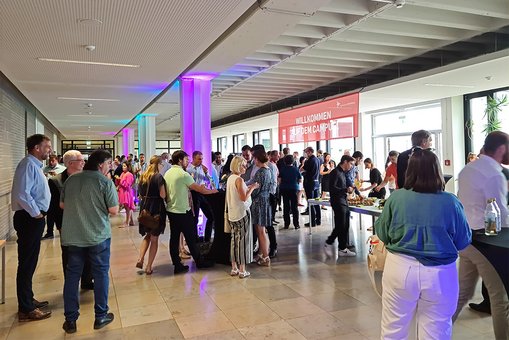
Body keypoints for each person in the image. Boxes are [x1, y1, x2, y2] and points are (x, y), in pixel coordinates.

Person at [375, 149, 471, 339]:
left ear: (409, 171)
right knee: (437, 329)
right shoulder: (451, 202)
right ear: (437, 171)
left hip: (399, 268)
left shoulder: (396, 198)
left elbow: (383, 233)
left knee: (393, 328)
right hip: (441, 274)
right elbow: (463, 240)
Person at [453, 131, 509, 340]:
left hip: (466, 240)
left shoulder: (468, 169)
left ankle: (435, 333)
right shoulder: (494, 174)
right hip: (486, 243)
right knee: (500, 298)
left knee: (462, 293)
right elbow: (499, 213)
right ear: (502, 149)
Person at [60, 149, 119, 334]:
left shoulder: (71, 179)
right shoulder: (104, 182)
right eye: (109, 163)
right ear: (101, 164)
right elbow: (114, 210)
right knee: (100, 274)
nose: (110, 167)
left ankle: (70, 320)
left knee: (72, 276)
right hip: (97, 236)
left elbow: (62, 204)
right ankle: (100, 315)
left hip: (73, 236)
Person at [11, 134, 53, 321]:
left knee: (30, 262)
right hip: (29, 219)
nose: (49, 150)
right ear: (36, 147)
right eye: (47, 146)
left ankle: (28, 299)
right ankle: (26, 308)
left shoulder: (35, 165)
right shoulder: (28, 164)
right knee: (27, 263)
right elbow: (22, 193)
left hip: (33, 218)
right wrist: (36, 213)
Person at [164, 150, 217, 274]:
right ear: (180, 160)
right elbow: (200, 190)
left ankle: (177, 263)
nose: (187, 162)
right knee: (191, 237)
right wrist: (214, 192)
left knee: (174, 238)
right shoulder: (183, 174)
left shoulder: (168, 173)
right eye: (186, 160)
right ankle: (200, 262)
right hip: (182, 210)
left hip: (172, 210)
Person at [48, 150, 93, 288]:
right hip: (67, 224)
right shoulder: (56, 182)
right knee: (69, 254)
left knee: (88, 252)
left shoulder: (86, 178)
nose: (83, 163)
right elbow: (54, 208)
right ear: (70, 163)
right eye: (81, 160)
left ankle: (87, 280)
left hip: (86, 223)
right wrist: (60, 227)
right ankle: (71, 283)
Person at [226, 156, 259, 278]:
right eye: (243, 165)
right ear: (238, 166)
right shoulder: (238, 180)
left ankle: (234, 267)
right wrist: (253, 188)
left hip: (233, 213)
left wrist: (248, 189)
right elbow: (244, 198)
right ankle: (242, 269)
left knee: (234, 241)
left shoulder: (230, 178)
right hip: (242, 213)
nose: (245, 167)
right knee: (243, 242)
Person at [136, 156, 167, 275]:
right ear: (158, 164)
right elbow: (163, 195)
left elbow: (139, 193)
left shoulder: (143, 175)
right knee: (154, 238)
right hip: (156, 208)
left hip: (145, 208)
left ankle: (140, 258)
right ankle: (148, 266)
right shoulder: (158, 177)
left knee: (147, 236)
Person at [324, 155, 356, 257]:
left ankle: (342, 248)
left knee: (345, 225)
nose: (351, 166)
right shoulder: (335, 172)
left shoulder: (343, 173)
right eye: (350, 164)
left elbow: (346, 185)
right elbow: (332, 188)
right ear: (345, 162)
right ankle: (329, 242)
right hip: (337, 201)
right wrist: (345, 190)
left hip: (343, 200)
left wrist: (350, 189)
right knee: (340, 225)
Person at [250, 149, 272, 266]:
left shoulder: (260, 172)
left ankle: (266, 257)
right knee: (262, 231)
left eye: (254, 158)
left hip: (258, 203)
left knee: (261, 231)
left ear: (257, 159)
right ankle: (262, 254)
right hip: (265, 201)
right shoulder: (268, 170)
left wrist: (247, 190)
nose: (253, 160)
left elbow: (255, 190)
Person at [187, 151, 215, 242]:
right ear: (194, 158)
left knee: (211, 216)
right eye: (199, 159)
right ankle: (195, 240)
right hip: (194, 194)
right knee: (194, 219)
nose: (201, 161)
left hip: (203, 193)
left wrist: (206, 173)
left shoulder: (202, 168)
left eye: (202, 159)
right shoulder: (188, 169)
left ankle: (207, 239)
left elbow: (210, 180)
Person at [279, 154, 302, 230]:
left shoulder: (282, 169)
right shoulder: (296, 169)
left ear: (285, 161)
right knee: (294, 207)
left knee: (286, 207)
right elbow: (300, 180)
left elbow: (279, 180)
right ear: (293, 161)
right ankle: (296, 224)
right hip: (293, 189)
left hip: (284, 189)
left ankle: (286, 224)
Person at [302, 147, 321, 227]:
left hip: (309, 183)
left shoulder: (309, 161)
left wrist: (303, 163)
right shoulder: (317, 159)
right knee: (317, 202)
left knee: (310, 202)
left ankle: (312, 221)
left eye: (306, 152)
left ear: (309, 152)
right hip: (316, 182)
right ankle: (318, 220)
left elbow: (303, 170)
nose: (305, 154)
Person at [267, 150, 279, 257]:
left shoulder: (270, 166)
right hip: (256, 198)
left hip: (269, 196)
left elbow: (274, 182)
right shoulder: (252, 165)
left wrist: (270, 194)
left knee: (268, 223)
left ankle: (273, 247)